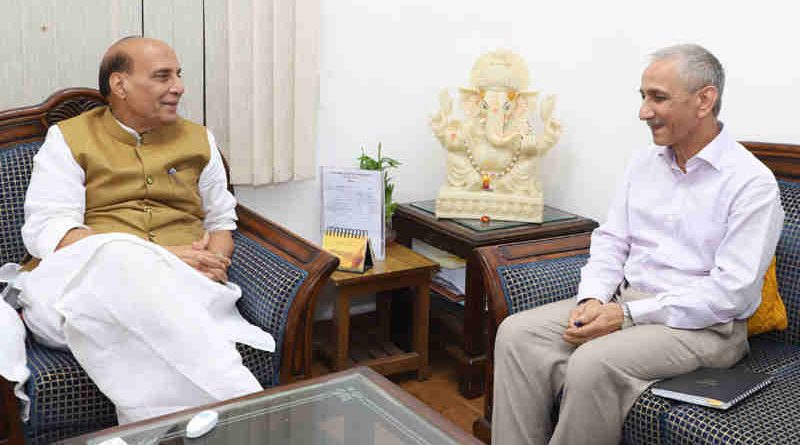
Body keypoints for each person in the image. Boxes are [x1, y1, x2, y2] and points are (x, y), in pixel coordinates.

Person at [491, 44, 785, 445]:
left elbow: (730, 295)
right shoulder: (643, 163)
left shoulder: (752, 184)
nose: (644, 111)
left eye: (658, 98)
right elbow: (612, 241)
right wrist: (592, 299)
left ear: (704, 100)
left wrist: (626, 316)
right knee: (516, 334)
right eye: (643, 96)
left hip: (705, 327)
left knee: (593, 363)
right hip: (629, 303)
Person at [5, 36, 274, 424]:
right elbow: (50, 233)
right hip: (74, 290)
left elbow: (221, 220)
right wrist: (161, 257)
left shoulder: (200, 140)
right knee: (118, 257)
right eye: (163, 76)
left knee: (141, 324)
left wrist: (216, 261)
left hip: (185, 286)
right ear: (120, 85)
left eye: (178, 75)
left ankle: (145, 432)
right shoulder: (68, 139)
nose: (178, 86)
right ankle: (250, 409)